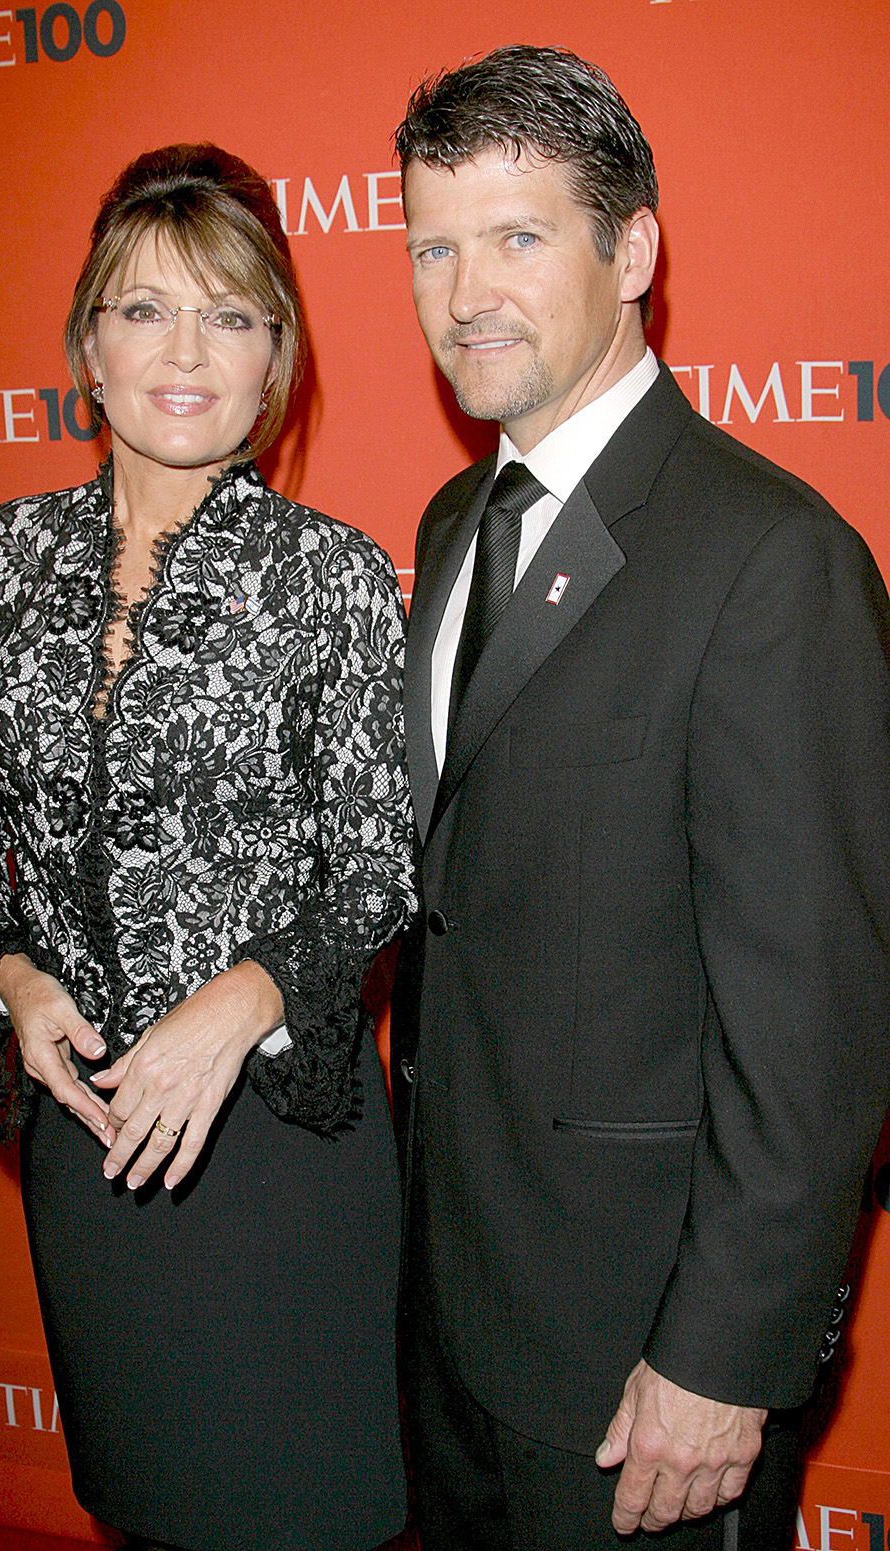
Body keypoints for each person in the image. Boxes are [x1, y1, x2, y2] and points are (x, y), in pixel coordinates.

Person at [389, 44, 890, 1551]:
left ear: (637, 251)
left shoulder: (771, 561)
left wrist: (724, 1359)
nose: (466, 287)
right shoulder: (447, 522)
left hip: (641, 1369)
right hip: (455, 1324)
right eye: (434, 244)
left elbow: (818, 1024)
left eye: (520, 236)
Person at [0, 143, 417, 1551]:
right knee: (143, 1506)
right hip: (88, 1149)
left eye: (231, 315)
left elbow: (380, 859)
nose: (186, 351)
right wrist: (11, 978)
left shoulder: (333, 574)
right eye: (144, 308)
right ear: (86, 342)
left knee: (310, 1515)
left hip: (276, 1152)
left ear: (278, 360)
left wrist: (242, 999)